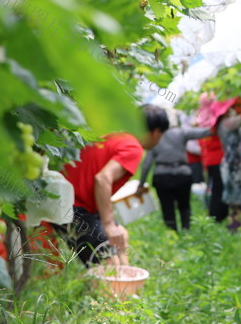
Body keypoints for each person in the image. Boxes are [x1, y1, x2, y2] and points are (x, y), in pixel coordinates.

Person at [58, 105, 169, 266]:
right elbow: (102, 179)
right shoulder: (134, 148)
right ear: (156, 132)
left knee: (121, 236)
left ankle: (128, 286)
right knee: (108, 263)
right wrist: (108, 224)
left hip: (72, 199)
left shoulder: (117, 136)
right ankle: (111, 286)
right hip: (71, 205)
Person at [198, 93, 241, 223]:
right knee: (228, 196)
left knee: (237, 197)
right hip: (230, 166)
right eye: (234, 107)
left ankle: (233, 226)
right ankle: (220, 223)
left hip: (238, 165)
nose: (237, 109)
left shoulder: (233, 125)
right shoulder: (226, 124)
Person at [136, 114, 211, 231]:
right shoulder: (181, 132)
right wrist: (216, 123)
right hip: (182, 174)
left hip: (162, 177)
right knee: (184, 206)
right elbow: (203, 132)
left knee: (167, 208)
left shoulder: (154, 137)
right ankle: (186, 230)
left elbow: (147, 163)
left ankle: (173, 234)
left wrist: (141, 185)